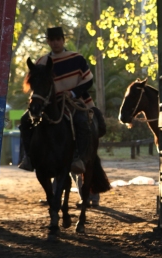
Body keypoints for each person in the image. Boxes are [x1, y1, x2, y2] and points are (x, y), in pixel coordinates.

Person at [18, 26, 98, 175]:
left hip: (73, 101)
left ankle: (79, 159)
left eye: (58, 39)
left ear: (63, 40)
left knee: (81, 122)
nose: (55, 43)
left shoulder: (77, 58)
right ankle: (28, 157)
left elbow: (88, 81)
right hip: (48, 103)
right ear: (48, 42)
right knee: (24, 121)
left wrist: (72, 93)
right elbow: (36, 85)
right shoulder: (41, 62)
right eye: (52, 40)